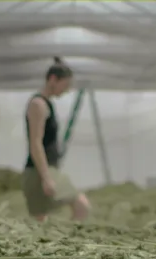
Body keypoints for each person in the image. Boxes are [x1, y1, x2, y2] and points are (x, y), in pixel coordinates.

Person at [22, 57, 91, 222]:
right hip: (38, 172)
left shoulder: (46, 104)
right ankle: (69, 242)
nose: (66, 90)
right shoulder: (38, 105)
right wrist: (46, 178)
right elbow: (36, 143)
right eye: (65, 85)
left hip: (47, 169)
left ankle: (67, 242)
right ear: (53, 79)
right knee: (81, 206)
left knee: (42, 221)